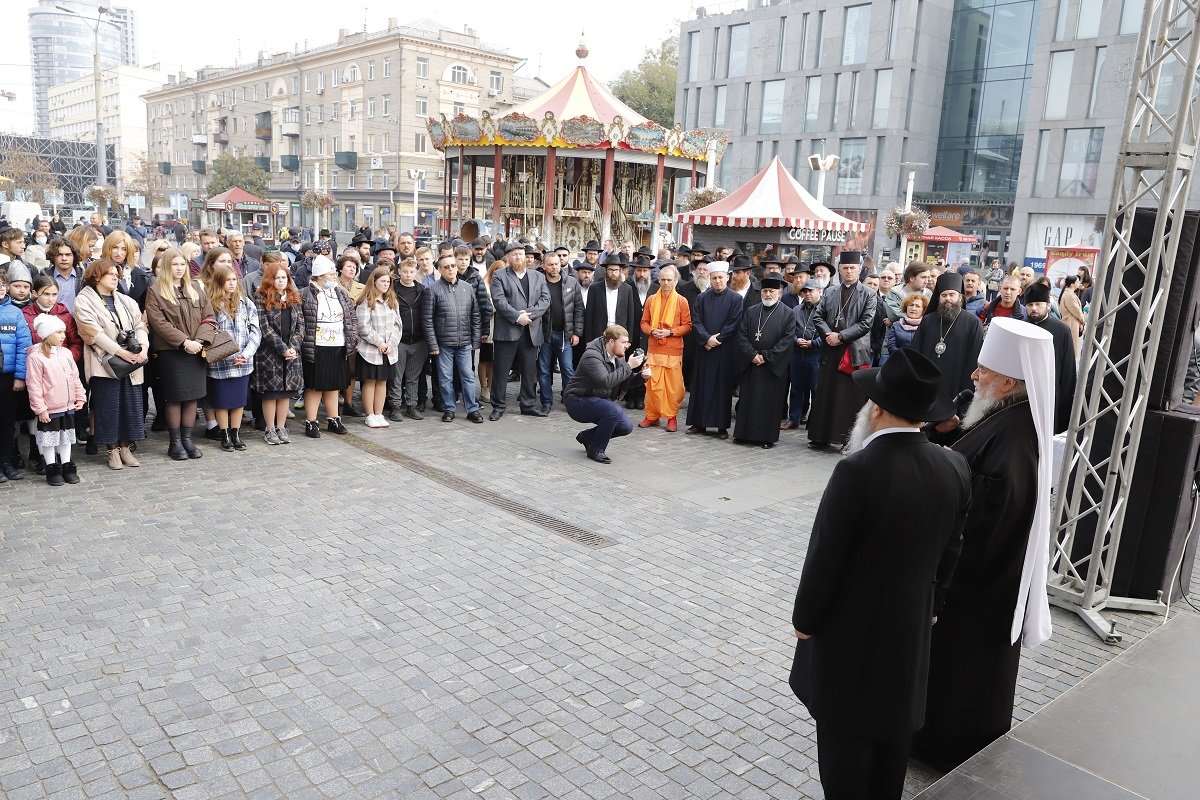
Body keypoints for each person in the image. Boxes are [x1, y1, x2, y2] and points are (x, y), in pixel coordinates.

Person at [791, 349, 969, 800]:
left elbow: (826, 557)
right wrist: (931, 608)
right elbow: (952, 549)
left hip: (849, 639)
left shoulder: (857, 470)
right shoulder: (954, 466)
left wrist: (805, 622)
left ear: (878, 408)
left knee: (845, 757)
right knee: (891, 752)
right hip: (910, 633)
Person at [913, 318, 1056, 772]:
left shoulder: (1014, 437)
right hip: (975, 583)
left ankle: (948, 748)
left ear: (1008, 381)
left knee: (963, 677)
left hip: (978, 586)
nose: (973, 377)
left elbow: (986, 518)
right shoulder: (1005, 415)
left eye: (982, 370)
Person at [73, 259, 149, 470]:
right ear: (97, 276)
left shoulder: (126, 300)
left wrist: (143, 348)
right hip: (104, 362)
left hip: (132, 362)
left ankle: (125, 447)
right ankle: (112, 450)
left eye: (117, 274)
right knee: (108, 407)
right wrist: (120, 351)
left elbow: (140, 324)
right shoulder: (84, 300)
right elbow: (92, 332)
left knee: (130, 406)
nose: (116, 277)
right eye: (111, 274)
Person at [145, 247, 215, 461]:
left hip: (197, 350)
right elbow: (158, 323)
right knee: (175, 398)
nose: (179, 268)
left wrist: (199, 341)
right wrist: (184, 342)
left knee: (192, 397)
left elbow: (209, 316)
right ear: (166, 266)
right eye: (175, 264)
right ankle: (174, 442)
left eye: (182, 264)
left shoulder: (195, 287)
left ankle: (187, 439)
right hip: (172, 352)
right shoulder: (156, 291)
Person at [807, 252, 877, 451]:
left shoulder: (869, 294)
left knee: (849, 398)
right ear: (839, 269)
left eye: (852, 268)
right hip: (830, 349)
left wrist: (841, 336)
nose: (848, 271)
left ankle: (848, 440)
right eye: (845, 267)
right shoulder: (830, 292)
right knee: (826, 394)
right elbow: (818, 316)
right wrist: (829, 334)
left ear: (859, 269)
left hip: (852, 351)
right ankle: (820, 436)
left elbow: (866, 323)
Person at [563, 325, 646, 464]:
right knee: (613, 410)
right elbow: (605, 382)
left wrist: (642, 377)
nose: (627, 346)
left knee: (625, 426)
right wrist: (629, 366)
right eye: (624, 342)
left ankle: (588, 437)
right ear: (611, 341)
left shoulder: (618, 355)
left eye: (628, 342)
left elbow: (623, 380)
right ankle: (596, 450)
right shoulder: (592, 355)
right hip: (576, 401)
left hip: (598, 399)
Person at [911, 272, 984, 423]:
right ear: (938, 298)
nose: (948, 299)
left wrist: (964, 398)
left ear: (960, 297)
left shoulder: (973, 323)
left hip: (955, 388)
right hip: (927, 389)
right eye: (944, 295)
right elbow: (915, 354)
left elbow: (973, 362)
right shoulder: (928, 320)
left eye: (952, 294)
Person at [489, 243, 551, 420]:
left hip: (530, 331)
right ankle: (498, 406)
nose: (518, 257)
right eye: (514, 254)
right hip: (507, 331)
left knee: (529, 371)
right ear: (508, 257)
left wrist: (528, 315)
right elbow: (499, 301)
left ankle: (528, 404)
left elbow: (545, 300)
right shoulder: (500, 276)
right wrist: (517, 317)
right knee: (501, 371)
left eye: (521, 254)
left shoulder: (537, 276)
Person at [733, 277, 796, 448]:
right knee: (748, 400)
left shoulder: (788, 314)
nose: (768, 294)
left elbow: (787, 341)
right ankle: (743, 434)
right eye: (765, 291)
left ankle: (766, 438)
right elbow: (742, 335)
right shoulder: (751, 311)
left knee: (769, 403)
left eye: (771, 292)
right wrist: (752, 355)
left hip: (771, 368)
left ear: (779, 293)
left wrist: (766, 356)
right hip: (751, 364)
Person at [204, 264, 261, 451]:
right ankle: (225, 434)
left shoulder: (246, 303)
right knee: (221, 400)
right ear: (219, 282)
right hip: (221, 361)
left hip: (243, 361)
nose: (231, 283)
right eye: (227, 280)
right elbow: (209, 333)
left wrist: (246, 354)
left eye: (234, 279)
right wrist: (230, 354)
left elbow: (255, 331)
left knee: (238, 400)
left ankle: (236, 433)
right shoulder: (211, 304)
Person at [301, 255, 359, 437]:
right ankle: (311, 422)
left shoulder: (339, 293)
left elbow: (351, 316)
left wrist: (352, 337)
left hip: (338, 345)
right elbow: (302, 320)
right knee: (314, 386)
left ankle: (334, 419)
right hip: (316, 346)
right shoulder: (305, 294)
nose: (334, 276)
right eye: (330, 274)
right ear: (319, 275)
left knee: (334, 385)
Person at [26, 313, 87, 485]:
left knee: (66, 438)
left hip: (67, 405)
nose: (63, 336)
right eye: (59, 332)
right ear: (47, 334)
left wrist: (80, 397)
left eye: (64, 332)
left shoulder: (66, 353)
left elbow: (75, 377)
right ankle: (52, 468)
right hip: (50, 408)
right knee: (49, 440)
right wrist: (41, 409)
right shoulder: (36, 357)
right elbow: (34, 385)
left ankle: (67, 466)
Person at [685, 261, 743, 438]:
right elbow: (696, 321)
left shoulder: (736, 299)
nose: (717, 281)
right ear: (709, 279)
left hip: (724, 350)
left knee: (721, 388)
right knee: (701, 386)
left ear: (727, 277)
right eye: (714, 278)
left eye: (720, 277)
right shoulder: (702, 298)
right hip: (704, 349)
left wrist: (717, 339)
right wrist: (706, 339)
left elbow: (734, 323)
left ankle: (721, 426)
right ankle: (698, 423)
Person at [424, 254, 484, 423]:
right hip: (443, 344)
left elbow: (475, 314)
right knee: (445, 378)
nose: (450, 269)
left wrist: (475, 339)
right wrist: (432, 344)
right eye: (446, 267)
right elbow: (427, 319)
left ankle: (472, 409)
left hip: (464, 342)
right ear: (440, 270)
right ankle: (449, 408)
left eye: (452, 265)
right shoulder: (433, 289)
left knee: (468, 376)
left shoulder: (467, 288)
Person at [637, 265, 692, 431]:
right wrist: (651, 331)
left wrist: (670, 332)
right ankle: (652, 416)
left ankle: (671, 418)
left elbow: (688, 326)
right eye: (663, 280)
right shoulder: (651, 300)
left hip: (673, 351)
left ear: (675, 281)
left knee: (673, 388)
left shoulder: (682, 301)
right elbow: (643, 323)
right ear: (658, 280)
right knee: (652, 385)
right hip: (654, 349)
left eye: (669, 280)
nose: (666, 283)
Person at [254, 262, 304, 445]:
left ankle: (281, 427)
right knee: (271, 394)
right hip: (269, 354)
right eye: (277, 278)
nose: (281, 281)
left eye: (284, 277)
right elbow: (264, 328)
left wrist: (293, 347)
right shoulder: (261, 297)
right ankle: (270, 428)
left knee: (285, 393)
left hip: (291, 354)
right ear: (270, 279)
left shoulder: (294, 297)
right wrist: (282, 348)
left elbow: (301, 326)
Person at [1023, 282, 1077, 434]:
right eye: (1030, 304)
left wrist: (1065, 405)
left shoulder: (1061, 330)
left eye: (1038, 304)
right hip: (1022, 397)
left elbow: (1068, 371)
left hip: (1049, 396)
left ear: (1047, 305)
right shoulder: (1020, 327)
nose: (1033, 308)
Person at [356, 266, 404, 428]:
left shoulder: (392, 301)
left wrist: (391, 344)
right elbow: (363, 327)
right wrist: (379, 343)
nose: (385, 284)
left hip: (388, 351)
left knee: (383, 381)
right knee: (370, 382)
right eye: (382, 281)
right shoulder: (366, 302)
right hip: (370, 351)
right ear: (374, 281)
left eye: (388, 282)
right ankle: (370, 414)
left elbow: (398, 326)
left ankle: (379, 413)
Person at [537, 249, 583, 414]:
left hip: (565, 335)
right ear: (544, 266)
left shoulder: (571, 282)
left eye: (556, 264)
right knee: (543, 370)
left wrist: (577, 333)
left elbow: (578, 309)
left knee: (567, 369)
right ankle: (546, 402)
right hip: (544, 335)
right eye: (550, 265)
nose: (554, 267)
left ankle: (570, 400)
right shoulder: (539, 282)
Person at [0, 271, 32, 481]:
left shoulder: (14, 312)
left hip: (7, 376)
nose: (1, 289)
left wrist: (20, 377)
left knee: (6, 421)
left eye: (2, 285)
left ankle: (5, 461)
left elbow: (24, 346)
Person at [389, 259, 428, 422]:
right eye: (405, 272)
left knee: (413, 376)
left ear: (416, 272)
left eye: (411, 272)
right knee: (397, 377)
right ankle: (395, 406)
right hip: (399, 340)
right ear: (399, 271)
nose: (408, 275)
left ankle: (412, 405)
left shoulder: (422, 290)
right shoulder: (392, 289)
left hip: (418, 340)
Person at [783, 279, 824, 430]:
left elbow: (828, 332)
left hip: (816, 354)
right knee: (796, 388)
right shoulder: (796, 310)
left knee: (816, 390)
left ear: (819, 291)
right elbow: (789, 331)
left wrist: (814, 343)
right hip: (797, 353)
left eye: (810, 291)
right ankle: (794, 419)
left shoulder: (824, 309)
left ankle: (814, 421)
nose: (807, 294)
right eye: (805, 291)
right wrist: (795, 340)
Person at [1058, 275, 1086, 352]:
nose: (1079, 283)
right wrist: (1082, 320)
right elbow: (1076, 310)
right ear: (1071, 284)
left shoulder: (1069, 293)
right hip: (1070, 323)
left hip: (1071, 322)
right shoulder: (1069, 295)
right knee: (1070, 349)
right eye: (1077, 281)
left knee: (1069, 348)